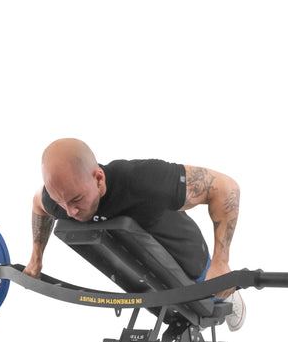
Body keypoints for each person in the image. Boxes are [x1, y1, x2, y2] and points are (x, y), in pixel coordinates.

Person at [23, 138, 246, 331]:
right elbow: (38, 203)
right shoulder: (60, 198)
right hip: (147, 267)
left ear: (98, 178)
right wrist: (36, 259)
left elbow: (225, 187)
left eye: (76, 200)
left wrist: (221, 262)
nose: (69, 211)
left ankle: (231, 299)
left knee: (211, 293)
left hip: (192, 260)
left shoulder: (143, 180)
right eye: (61, 202)